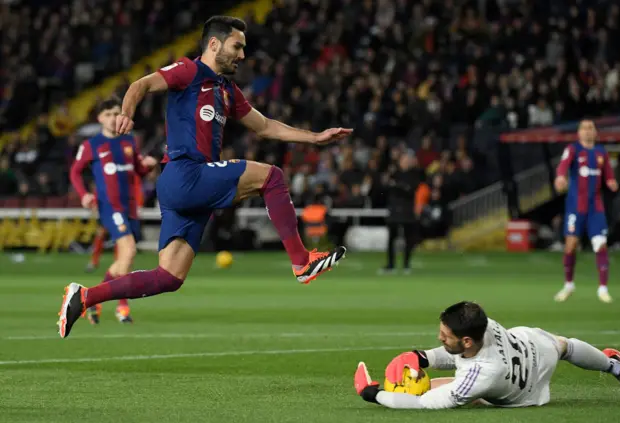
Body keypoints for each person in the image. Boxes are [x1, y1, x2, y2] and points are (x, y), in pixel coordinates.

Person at [58, 16, 351, 338]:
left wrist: (315, 138)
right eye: (237, 46)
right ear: (214, 44)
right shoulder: (189, 71)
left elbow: (265, 126)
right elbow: (139, 85)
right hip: (185, 174)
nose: (242, 54)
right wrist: (126, 114)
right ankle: (301, 262)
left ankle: (85, 296)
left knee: (168, 277)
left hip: (187, 188)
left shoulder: (228, 90)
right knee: (272, 177)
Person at [354, 301, 620, 409]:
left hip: (523, 393)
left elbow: (428, 405)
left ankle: (610, 363)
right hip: (535, 349)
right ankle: (612, 365)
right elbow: (458, 352)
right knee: (564, 346)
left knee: (426, 392)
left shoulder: (480, 376)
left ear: (466, 340)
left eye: (445, 336)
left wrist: (373, 394)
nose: (439, 338)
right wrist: (422, 356)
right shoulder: (483, 324)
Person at [69, 98, 158, 324]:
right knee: (128, 252)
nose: (112, 117)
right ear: (100, 118)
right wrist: (84, 195)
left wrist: (148, 164)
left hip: (130, 206)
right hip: (109, 205)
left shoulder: (129, 142)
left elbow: (138, 170)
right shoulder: (92, 144)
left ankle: (92, 298)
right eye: (108, 113)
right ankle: (122, 306)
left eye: (116, 113)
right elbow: (75, 172)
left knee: (125, 258)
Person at [553, 119, 618, 303]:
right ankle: (568, 285)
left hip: (595, 208)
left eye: (591, 128)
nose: (588, 131)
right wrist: (560, 177)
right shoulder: (573, 149)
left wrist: (612, 183)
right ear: (579, 132)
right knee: (570, 245)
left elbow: (609, 176)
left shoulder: (601, 153)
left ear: (596, 133)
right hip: (575, 207)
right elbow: (563, 165)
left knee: (601, 245)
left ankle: (603, 289)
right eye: (584, 128)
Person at [380, 152, 421, 274]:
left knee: (409, 239)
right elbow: (386, 188)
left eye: (407, 160)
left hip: (407, 210)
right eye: (404, 160)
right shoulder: (394, 173)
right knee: (391, 238)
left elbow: (411, 190)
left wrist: (397, 186)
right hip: (394, 210)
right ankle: (391, 265)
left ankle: (406, 264)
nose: (405, 162)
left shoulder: (414, 174)